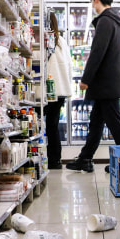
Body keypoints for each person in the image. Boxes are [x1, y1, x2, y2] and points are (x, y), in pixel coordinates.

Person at [66, 0, 120, 172]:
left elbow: (96, 53)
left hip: (106, 83)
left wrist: (86, 79)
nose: (93, 5)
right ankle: (85, 158)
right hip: (110, 81)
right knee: (96, 122)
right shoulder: (116, 22)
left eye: (92, 2)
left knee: (115, 124)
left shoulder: (105, 21)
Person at [44, 13, 72, 169]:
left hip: (47, 90)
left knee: (43, 124)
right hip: (60, 89)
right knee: (53, 125)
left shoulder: (44, 40)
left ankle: (46, 158)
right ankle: (55, 160)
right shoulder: (61, 41)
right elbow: (69, 66)